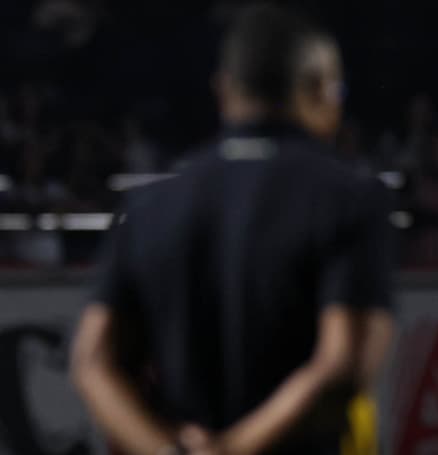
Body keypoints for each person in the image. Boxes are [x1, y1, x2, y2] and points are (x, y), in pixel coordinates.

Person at [69, 4, 394, 455]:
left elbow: (92, 361)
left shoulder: (149, 206)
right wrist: (236, 448)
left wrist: (167, 450)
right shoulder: (350, 199)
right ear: (321, 89)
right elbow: (345, 365)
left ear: (224, 91)